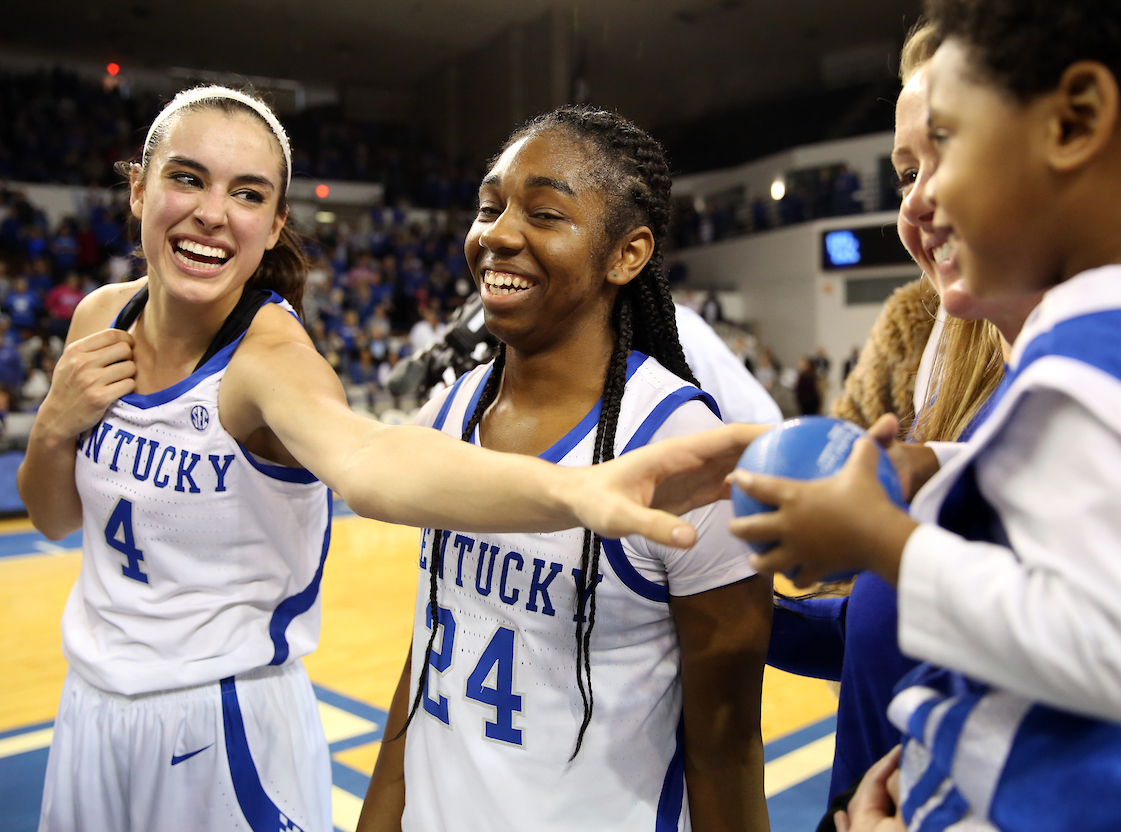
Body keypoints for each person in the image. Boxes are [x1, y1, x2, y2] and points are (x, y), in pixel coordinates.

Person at [17, 86, 762, 832]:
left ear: (276, 224)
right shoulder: (100, 319)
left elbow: (367, 458)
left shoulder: (273, 360)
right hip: (87, 704)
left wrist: (580, 493)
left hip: (217, 720)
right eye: (186, 178)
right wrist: (53, 425)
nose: (212, 211)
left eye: (246, 192)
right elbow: (55, 520)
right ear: (139, 187)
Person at [736, 0, 1121, 829]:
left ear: (1075, 122)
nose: (922, 199)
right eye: (906, 170)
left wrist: (881, 539)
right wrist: (940, 463)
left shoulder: (1086, 360)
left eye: (942, 145)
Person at [359, 107, 773, 832]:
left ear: (627, 254)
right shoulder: (450, 409)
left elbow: (726, 753)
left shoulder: (677, 442)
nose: (497, 234)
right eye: (490, 207)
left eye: (544, 213)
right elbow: (427, 654)